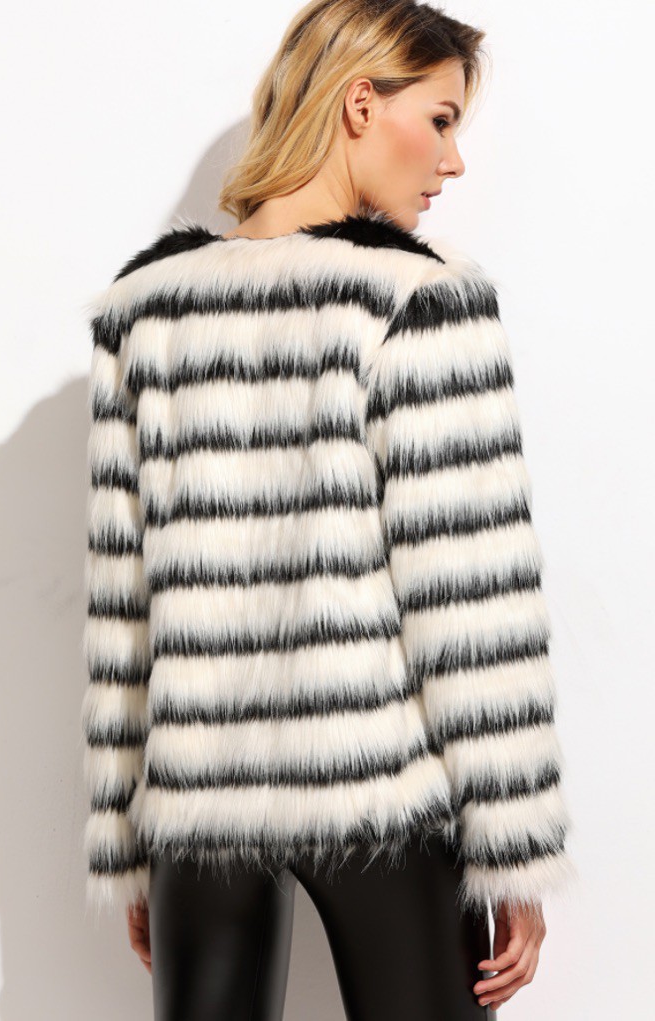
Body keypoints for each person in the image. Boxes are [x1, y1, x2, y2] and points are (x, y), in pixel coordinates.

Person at [80, 1, 578, 1017]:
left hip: (198, 805)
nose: (453, 162)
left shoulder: (146, 310)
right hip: (380, 786)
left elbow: (122, 611)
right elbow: (470, 600)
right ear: (360, 104)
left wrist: (134, 842)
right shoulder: (416, 298)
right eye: (441, 120)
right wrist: (515, 847)